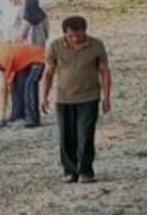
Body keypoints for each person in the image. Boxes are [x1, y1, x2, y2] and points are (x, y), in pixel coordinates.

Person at [41, 16, 112, 184]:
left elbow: (104, 71)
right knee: (67, 136)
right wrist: (43, 96)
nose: (75, 39)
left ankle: (86, 171)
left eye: (79, 35)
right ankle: (69, 170)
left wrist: (106, 97)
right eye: (71, 36)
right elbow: (49, 72)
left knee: (85, 135)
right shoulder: (55, 46)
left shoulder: (96, 45)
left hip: (89, 96)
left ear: (84, 31)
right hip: (63, 98)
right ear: (65, 33)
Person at [0, 43, 46, 128]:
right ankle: (18, 114)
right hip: (26, 63)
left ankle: (33, 118)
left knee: (29, 87)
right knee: (15, 86)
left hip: (39, 58)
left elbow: (3, 88)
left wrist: (1, 115)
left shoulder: (2, 59)